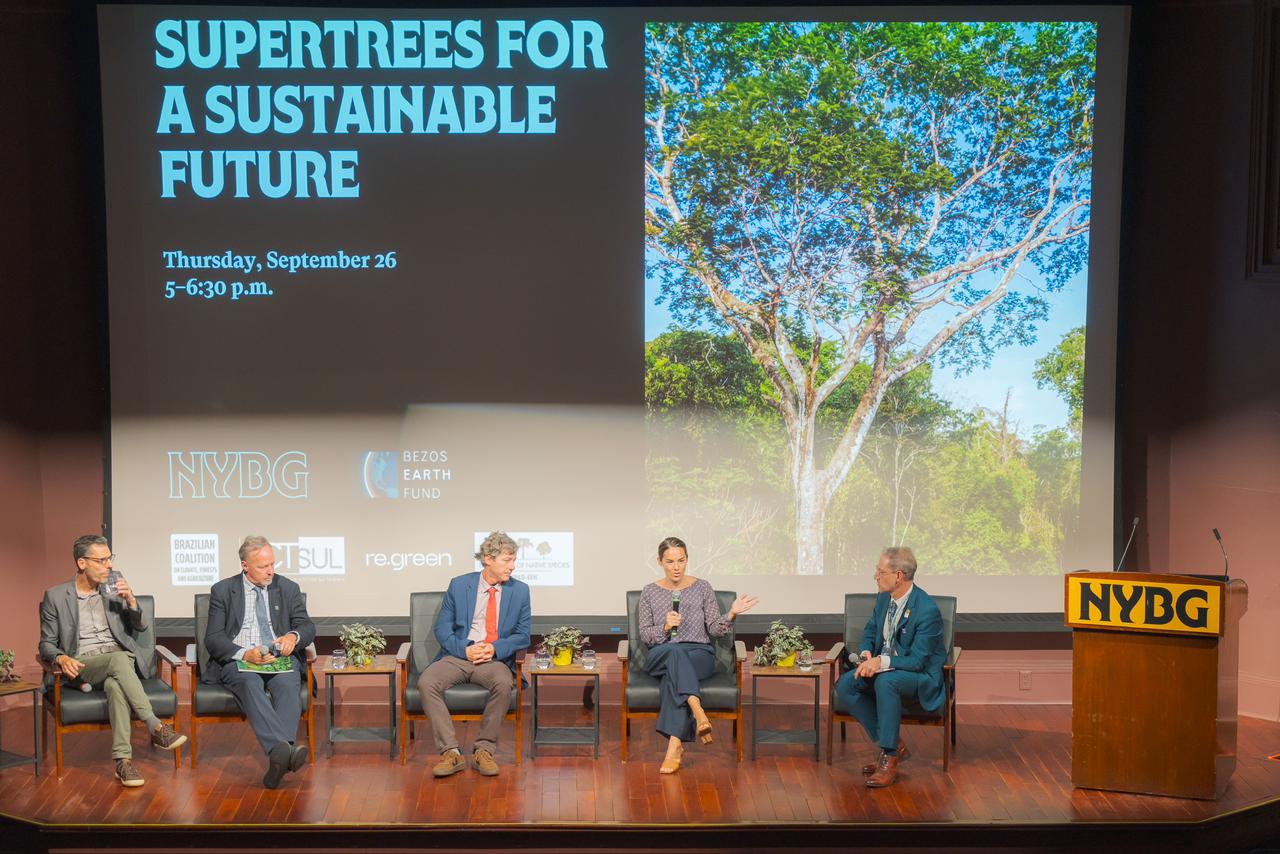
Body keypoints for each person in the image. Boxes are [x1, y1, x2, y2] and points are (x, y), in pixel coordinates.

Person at [38, 535, 187, 787]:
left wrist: (131, 601)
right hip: (84, 665)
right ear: (82, 563)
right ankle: (156, 726)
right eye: (101, 560)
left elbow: (140, 627)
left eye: (110, 559)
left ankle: (123, 763)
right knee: (119, 659)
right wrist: (61, 657)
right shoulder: (56, 596)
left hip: (119, 664)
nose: (108, 565)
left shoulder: (113, 586)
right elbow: (46, 644)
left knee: (116, 685)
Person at [638, 537, 758, 775]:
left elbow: (714, 628)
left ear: (687, 560)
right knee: (673, 651)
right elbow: (645, 636)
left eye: (681, 560)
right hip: (661, 652)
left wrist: (732, 613)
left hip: (698, 654)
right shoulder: (649, 592)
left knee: (674, 673)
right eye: (670, 561)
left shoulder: (702, 587)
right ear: (659, 561)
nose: (676, 567)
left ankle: (674, 746)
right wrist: (664, 627)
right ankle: (696, 706)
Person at [204, 535, 316, 789]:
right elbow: (213, 638)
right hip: (243, 660)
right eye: (263, 566)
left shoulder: (287, 588)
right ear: (245, 565)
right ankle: (283, 749)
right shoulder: (223, 591)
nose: (270, 571)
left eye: (272, 564)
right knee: (249, 681)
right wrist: (245, 654)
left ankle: (279, 756)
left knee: (289, 683)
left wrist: (292, 636)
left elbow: (307, 626)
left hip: (278, 659)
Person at [420, 531, 531, 778]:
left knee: (504, 683)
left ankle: (484, 750)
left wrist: (494, 648)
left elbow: (523, 635)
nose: (512, 567)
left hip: (494, 659)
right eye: (507, 560)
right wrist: (465, 649)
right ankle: (451, 753)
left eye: (514, 561)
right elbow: (442, 628)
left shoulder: (520, 591)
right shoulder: (459, 585)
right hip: (458, 655)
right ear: (489, 559)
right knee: (427, 682)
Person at [833, 546, 946, 788]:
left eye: (880, 571)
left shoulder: (926, 610)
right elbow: (872, 628)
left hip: (919, 676)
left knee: (887, 681)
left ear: (899, 576)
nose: (875, 575)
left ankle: (889, 756)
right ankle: (896, 744)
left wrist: (881, 662)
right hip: (887, 668)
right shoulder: (884, 597)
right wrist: (866, 652)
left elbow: (918, 661)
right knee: (845, 685)